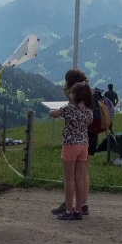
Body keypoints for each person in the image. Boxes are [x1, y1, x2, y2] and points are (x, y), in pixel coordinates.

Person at [49, 81, 92, 221]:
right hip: (84, 146)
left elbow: (53, 113)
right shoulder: (88, 113)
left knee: (69, 180)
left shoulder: (69, 109)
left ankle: (68, 210)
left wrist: (58, 109)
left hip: (70, 145)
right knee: (79, 178)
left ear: (76, 95)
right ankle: (78, 210)